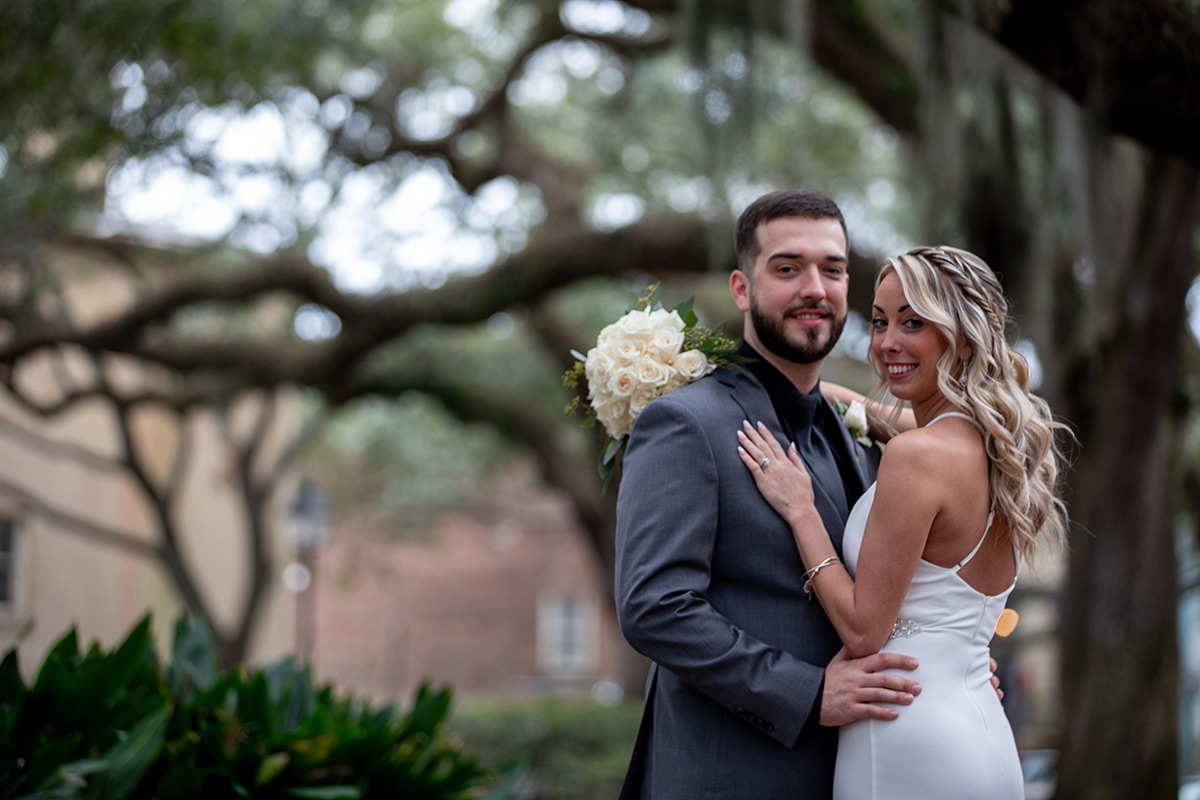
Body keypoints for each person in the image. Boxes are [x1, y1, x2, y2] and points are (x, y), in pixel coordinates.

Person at [613, 189, 923, 800]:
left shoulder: (856, 435)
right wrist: (806, 693)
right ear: (741, 288)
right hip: (726, 776)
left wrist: (949, 663)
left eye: (832, 269)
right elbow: (654, 605)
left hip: (852, 774)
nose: (815, 287)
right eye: (788, 268)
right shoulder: (686, 422)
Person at [736, 245, 1067, 799]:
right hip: (981, 730)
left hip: (903, 736)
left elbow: (866, 632)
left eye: (913, 323)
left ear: (963, 337)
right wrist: (799, 392)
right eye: (881, 321)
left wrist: (802, 512)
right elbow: (872, 412)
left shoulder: (918, 456)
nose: (887, 343)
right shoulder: (995, 448)